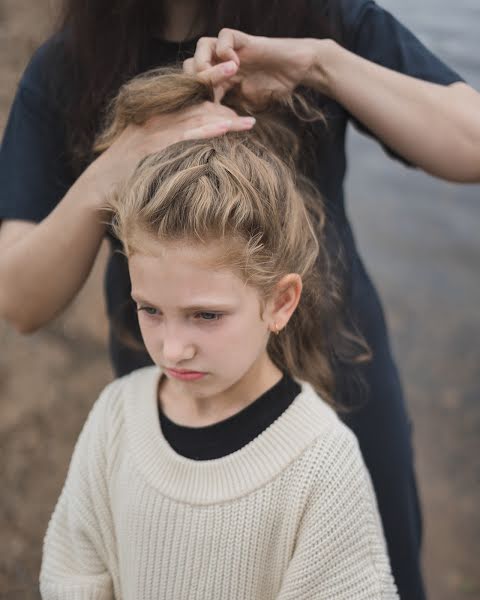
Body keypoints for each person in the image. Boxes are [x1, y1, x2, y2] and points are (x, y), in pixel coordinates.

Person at [1, 2, 479, 598]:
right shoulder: (69, 69)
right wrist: (112, 168)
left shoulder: (323, 16)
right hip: (170, 392)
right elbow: (20, 300)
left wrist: (321, 66)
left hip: (341, 370)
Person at [40, 67, 398, 599]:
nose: (171, 347)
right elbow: (72, 576)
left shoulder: (320, 461)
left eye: (205, 315)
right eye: (150, 310)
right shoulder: (118, 417)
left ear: (280, 302)